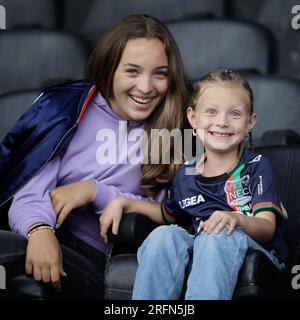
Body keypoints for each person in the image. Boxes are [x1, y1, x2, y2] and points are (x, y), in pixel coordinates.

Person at [0, 15, 191, 298]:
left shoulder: (179, 127)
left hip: (99, 258)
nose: (146, 87)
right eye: (132, 71)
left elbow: (174, 215)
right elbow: (29, 191)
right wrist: (39, 231)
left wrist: (96, 191)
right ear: (109, 68)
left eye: (159, 74)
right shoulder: (66, 109)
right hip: (37, 233)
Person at [100, 69, 288, 300]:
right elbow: (167, 214)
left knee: (218, 235)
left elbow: (267, 228)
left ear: (251, 122)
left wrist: (236, 219)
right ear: (193, 117)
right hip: (201, 243)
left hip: (257, 251)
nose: (222, 122)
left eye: (235, 114)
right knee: (163, 236)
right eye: (211, 111)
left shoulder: (256, 166)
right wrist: (125, 203)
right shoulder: (185, 174)